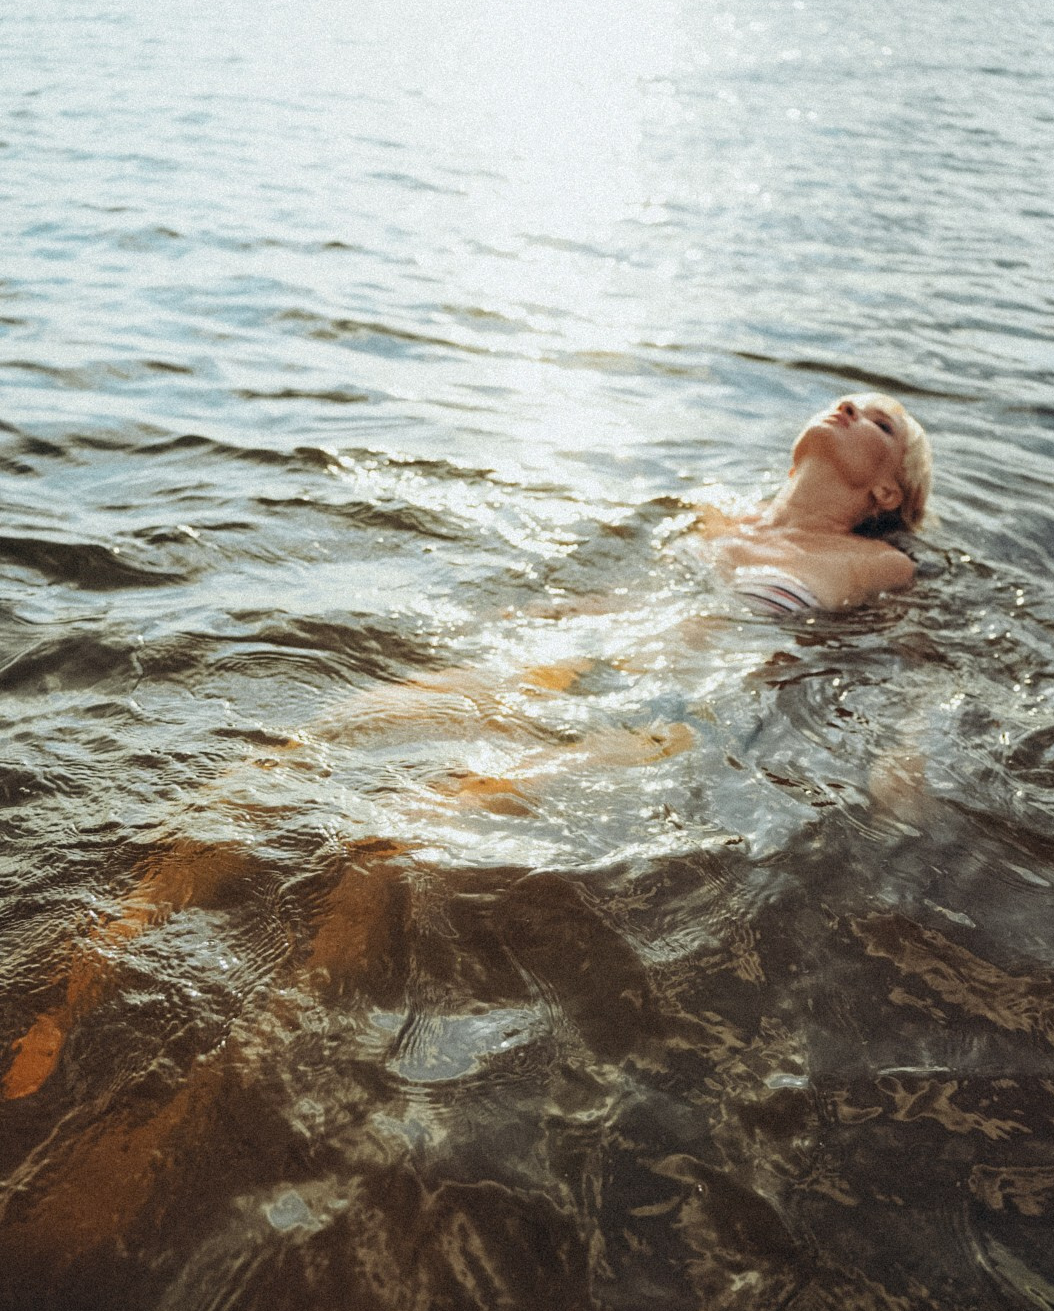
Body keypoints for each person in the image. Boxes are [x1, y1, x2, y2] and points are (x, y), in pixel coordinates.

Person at [2, 391, 932, 1103]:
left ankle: (237, 1066)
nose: (851, 405)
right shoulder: (708, 516)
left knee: (408, 830)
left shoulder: (879, 564)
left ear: (886, 489)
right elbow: (628, 598)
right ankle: (77, 986)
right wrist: (531, 629)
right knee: (287, 758)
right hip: (561, 664)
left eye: (881, 420)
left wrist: (905, 751)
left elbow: (913, 665)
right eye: (849, 399)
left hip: (667, 712)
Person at [694, 392, 932, 614]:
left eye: (882, 425)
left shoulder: (883, 562)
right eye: (841, 404)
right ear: (794, 466)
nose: (845, 407)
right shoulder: (719, 511)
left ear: (887, 493)